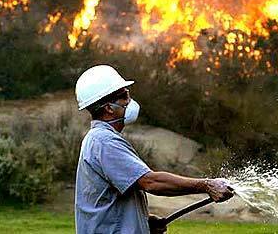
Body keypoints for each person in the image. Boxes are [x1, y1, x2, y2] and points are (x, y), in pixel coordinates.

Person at [74, 65, 235, 234]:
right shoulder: (104, 141)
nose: (130, 101)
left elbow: (107, 199)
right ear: (108, 108)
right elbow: (151, 182)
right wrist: (207, 185)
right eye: (124, 96)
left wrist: (144, 221)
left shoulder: (98, 139)